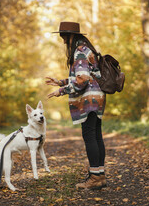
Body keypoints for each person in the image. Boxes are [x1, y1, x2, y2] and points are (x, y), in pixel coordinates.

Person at [46, 22, 106, 190]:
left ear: (71, 37)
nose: (64, 41)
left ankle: (95, 177)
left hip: (89, 99)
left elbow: (82, 80)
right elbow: (87, 75)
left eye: (64, 37)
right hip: (98, 96)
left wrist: (62, 90)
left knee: (89, 136)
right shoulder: (88, 50)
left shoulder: (79, 51)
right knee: (96, 135)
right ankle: (99, 175)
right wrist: (60, 81)